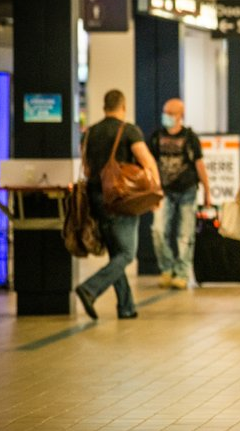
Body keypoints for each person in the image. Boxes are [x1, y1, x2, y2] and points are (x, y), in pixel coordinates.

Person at [75, 90, 161, 320]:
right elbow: (146, 160)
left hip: (96, 199)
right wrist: (155, 192)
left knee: (116, 252)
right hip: (121, 200)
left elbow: (86, 168)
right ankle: (90, 288)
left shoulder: (90, 132)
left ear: (104, 107)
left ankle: (126, 306)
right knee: (126, 254)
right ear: (123, 107)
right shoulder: (128, 130)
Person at [147, 98, 211, 290]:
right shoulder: (156, 137)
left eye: (170, 113)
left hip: (187, 191)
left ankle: (182, 273)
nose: (165, 116)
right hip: (163, 192)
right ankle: (167, 269)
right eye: (164, 112)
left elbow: (199, 165)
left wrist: (207, 190)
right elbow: (149, 166)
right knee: (158, 231)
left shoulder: (190, 138)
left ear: (180, 115)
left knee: (185, 235)